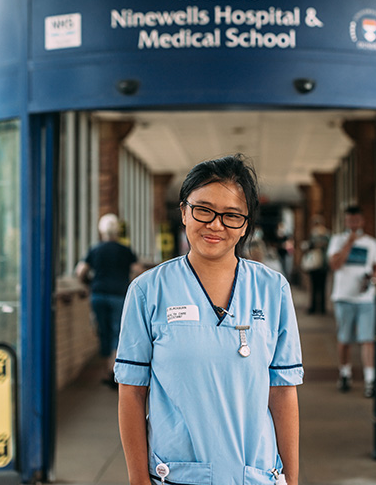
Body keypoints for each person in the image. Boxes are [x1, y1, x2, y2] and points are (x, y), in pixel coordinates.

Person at [115, 154, 303, 485]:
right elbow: (131, 392)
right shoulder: (148, 291)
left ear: (245, 224)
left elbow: (283, 392)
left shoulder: (273, 290)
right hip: (177, 476)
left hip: (255, 475)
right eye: (203, 210)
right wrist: (138, 481)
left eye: (231, 215)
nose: (215, 224)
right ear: (184, 211)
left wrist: (292, 479)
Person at [75, 213, 142, 389]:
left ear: (101, 231)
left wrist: (88, 283)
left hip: (98, 294)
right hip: (118, 294)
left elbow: (80, 271)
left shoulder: (95, 249)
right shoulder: (124, 250)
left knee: (103, 330)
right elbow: (138, 270)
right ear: (117, 231)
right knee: (117, 331)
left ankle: (106, 369)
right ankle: (113, 369)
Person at [327, 205, 376, 397]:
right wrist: (348, 244)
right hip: (343, 297)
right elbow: (334, 264)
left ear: (362, 221)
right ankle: (345, 373)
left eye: (356, 221)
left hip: (365, 298)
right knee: (345, 338)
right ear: (345, 221)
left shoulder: (371, 243)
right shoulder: (337, 241)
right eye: (350, 221)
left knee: (367, 339)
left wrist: (373, 279)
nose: (353, 224)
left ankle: (370, 379)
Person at [301, 215, 330, 315]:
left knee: (314, 286)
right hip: (323, 264)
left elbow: (310, 245)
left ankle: (314, 307)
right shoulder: (327, 234)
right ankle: (321, 308)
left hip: (316, 263)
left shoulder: (314, 234)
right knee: (321, 286)